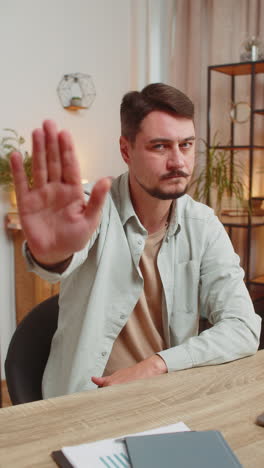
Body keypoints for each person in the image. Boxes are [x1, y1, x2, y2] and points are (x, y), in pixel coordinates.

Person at [11, 83, 261, 398]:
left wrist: (157, 364)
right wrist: (53, 256)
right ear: (126, 150)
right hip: (83, 400)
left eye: (185, 145)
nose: (178, 162)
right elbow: (61, 258)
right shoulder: (90, 210)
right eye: (160, 146)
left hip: (163, 397)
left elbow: (244, 327)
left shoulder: (204, 225)